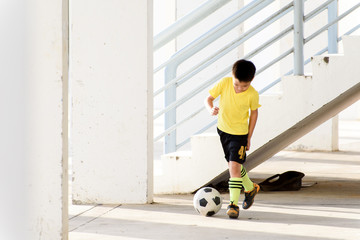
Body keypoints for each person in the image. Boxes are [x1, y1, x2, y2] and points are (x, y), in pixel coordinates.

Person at [204, 59, 261, 219]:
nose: (240, 88)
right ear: (232, 76)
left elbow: (254, 114)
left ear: (251, 81)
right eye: (237, 84)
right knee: (233, 165)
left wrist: (249, 137)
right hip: (223, 131)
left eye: (245, 85)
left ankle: (233, 205)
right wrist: (211, 109)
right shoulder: (225, 83)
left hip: (240, 134)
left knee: (234, 167)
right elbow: (208, 99)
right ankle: (250, 188)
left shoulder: (252, 94)